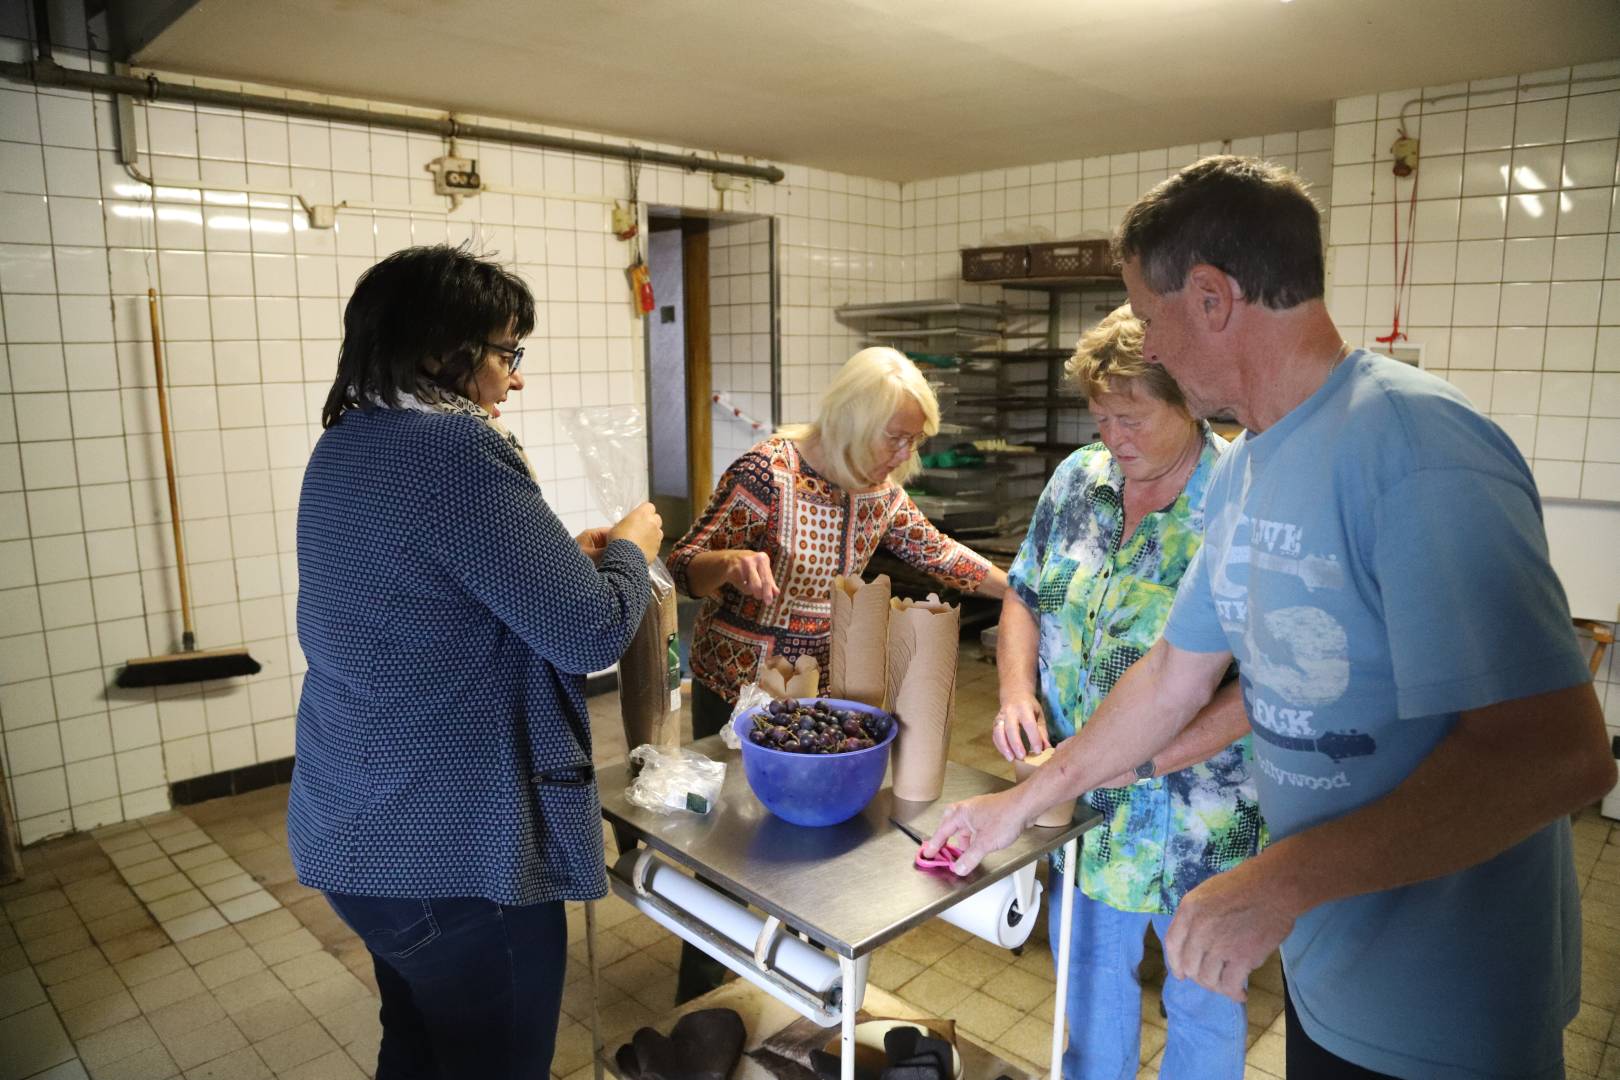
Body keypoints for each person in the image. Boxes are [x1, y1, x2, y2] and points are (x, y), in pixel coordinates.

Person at [923, 157, 1615, 1079]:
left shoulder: (1418, 448)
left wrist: (1280, 881)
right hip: (1332, 968)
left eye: (1154, 317)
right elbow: (1174, 674)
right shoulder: (1252, 467)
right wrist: (1022, 805)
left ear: (1211, 297)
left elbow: (1558, 756)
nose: (1153, 349)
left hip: (1451, 1003)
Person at [288, 245, 663, 1079]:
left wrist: (553, 562)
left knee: (420, 1046)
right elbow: (593, 633)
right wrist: (632, 552)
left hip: (356, 830)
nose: (515, 379)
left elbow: (426, 595)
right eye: (505, 353)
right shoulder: (455, 450)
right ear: (437, 352)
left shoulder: (348, 442)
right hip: (453, 861)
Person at [666, 345, 1009, 1001]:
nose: (902, 456)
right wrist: (732, 563)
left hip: (819, 690)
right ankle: (703, 997)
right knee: (726, 846)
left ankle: (797, 986)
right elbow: (685, 564)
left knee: (813, 842)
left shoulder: (878, 489)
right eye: (896, 438)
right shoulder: (767, 475)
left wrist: (1017, 589)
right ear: (855, 418)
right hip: (737, 683)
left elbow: (935, 552)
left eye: (913, 441)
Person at [996, 304, 1259, 1079]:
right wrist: (1016, 692)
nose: (1112, 436)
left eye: (1131, 417)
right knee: (1089, 991)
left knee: (1205, 1007)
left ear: (1189, 403)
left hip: (1202, 819)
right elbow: (1024, 595)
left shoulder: (1240, 501)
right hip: (1088, 812)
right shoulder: (1079, 481)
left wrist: (1141, 761)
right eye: (1100, 417)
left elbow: (1260, 689)